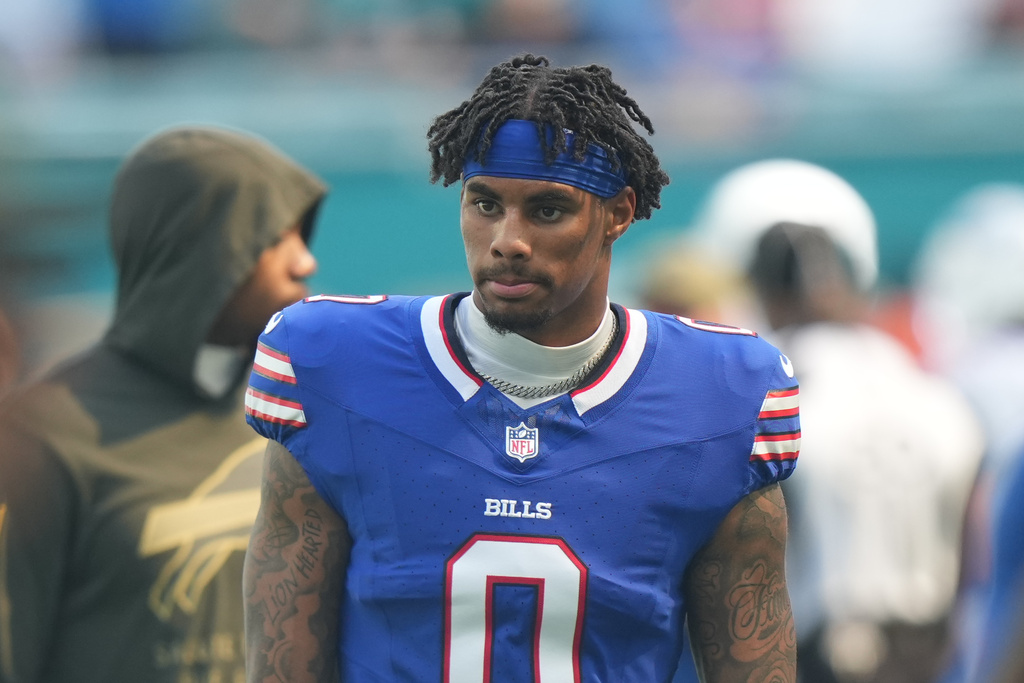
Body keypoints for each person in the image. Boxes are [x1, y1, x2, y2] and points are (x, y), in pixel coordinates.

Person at [242, 54, 799, 683]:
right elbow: (281, 661)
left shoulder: (719, 395)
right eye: (485, 205)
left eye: (547, 210)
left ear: (617, 213)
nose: (508, 238)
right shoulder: (335, 364)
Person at [0, 124, 327, 683]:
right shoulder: (41, 437)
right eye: (276, 238)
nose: (305, 263)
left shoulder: (304, 413)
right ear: (192, 251)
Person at [708, 163, 980, 683]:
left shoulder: (769, 394)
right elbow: (972, 535)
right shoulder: (931, 389)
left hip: (819, 645)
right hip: (931, 646)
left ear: (765, 291)